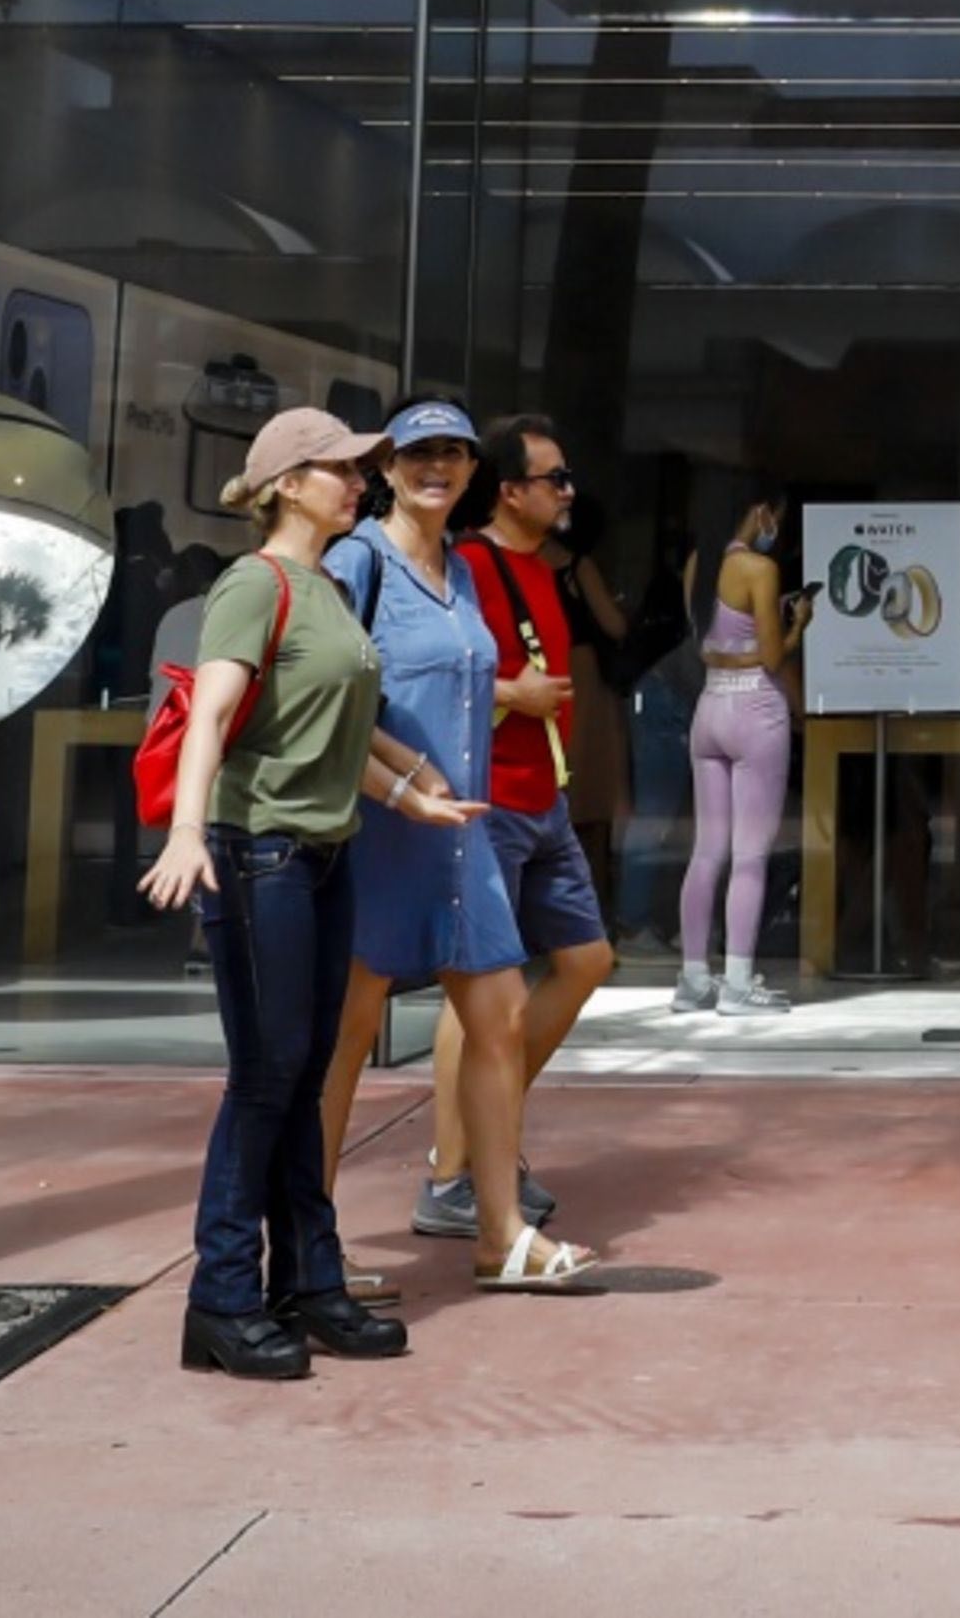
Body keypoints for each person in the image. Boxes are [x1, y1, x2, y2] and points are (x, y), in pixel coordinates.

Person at [136, 404, 476, 1381]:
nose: (358, 482)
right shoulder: (254, 585)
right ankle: (223, 1300)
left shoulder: (326, 587)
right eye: (339, 469)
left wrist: (414, 796)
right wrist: (189, 833)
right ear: (288, 483)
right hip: (259, 857)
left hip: (325, 856)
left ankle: (310, 1286)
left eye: (359, 468)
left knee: (307, 1069)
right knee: (267, 1078)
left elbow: (346, 730)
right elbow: (211, 718)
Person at [301, 402, 596, 1288]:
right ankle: (310, 1248)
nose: (437, 467)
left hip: (461, 829)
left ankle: (499, 1233)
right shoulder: (358, 563)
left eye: (452, 455)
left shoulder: (461, 572)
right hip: (377, 827)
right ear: (387, 466)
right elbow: (325, 693)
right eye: (419, 453)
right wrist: (400, 780)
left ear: (472, 471)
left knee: (500, 1019)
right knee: (346, 1036)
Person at [676, 487, 799, 1015]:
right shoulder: (760, 570)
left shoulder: (698, 566)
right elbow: (772, 655)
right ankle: (739, 982)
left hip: (710, 706)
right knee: (751, 856)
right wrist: (799, 623)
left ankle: (693, 978)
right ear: (760, 512)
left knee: (707, 852)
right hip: (756, 710)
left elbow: (705, 641)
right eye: (779, 518)